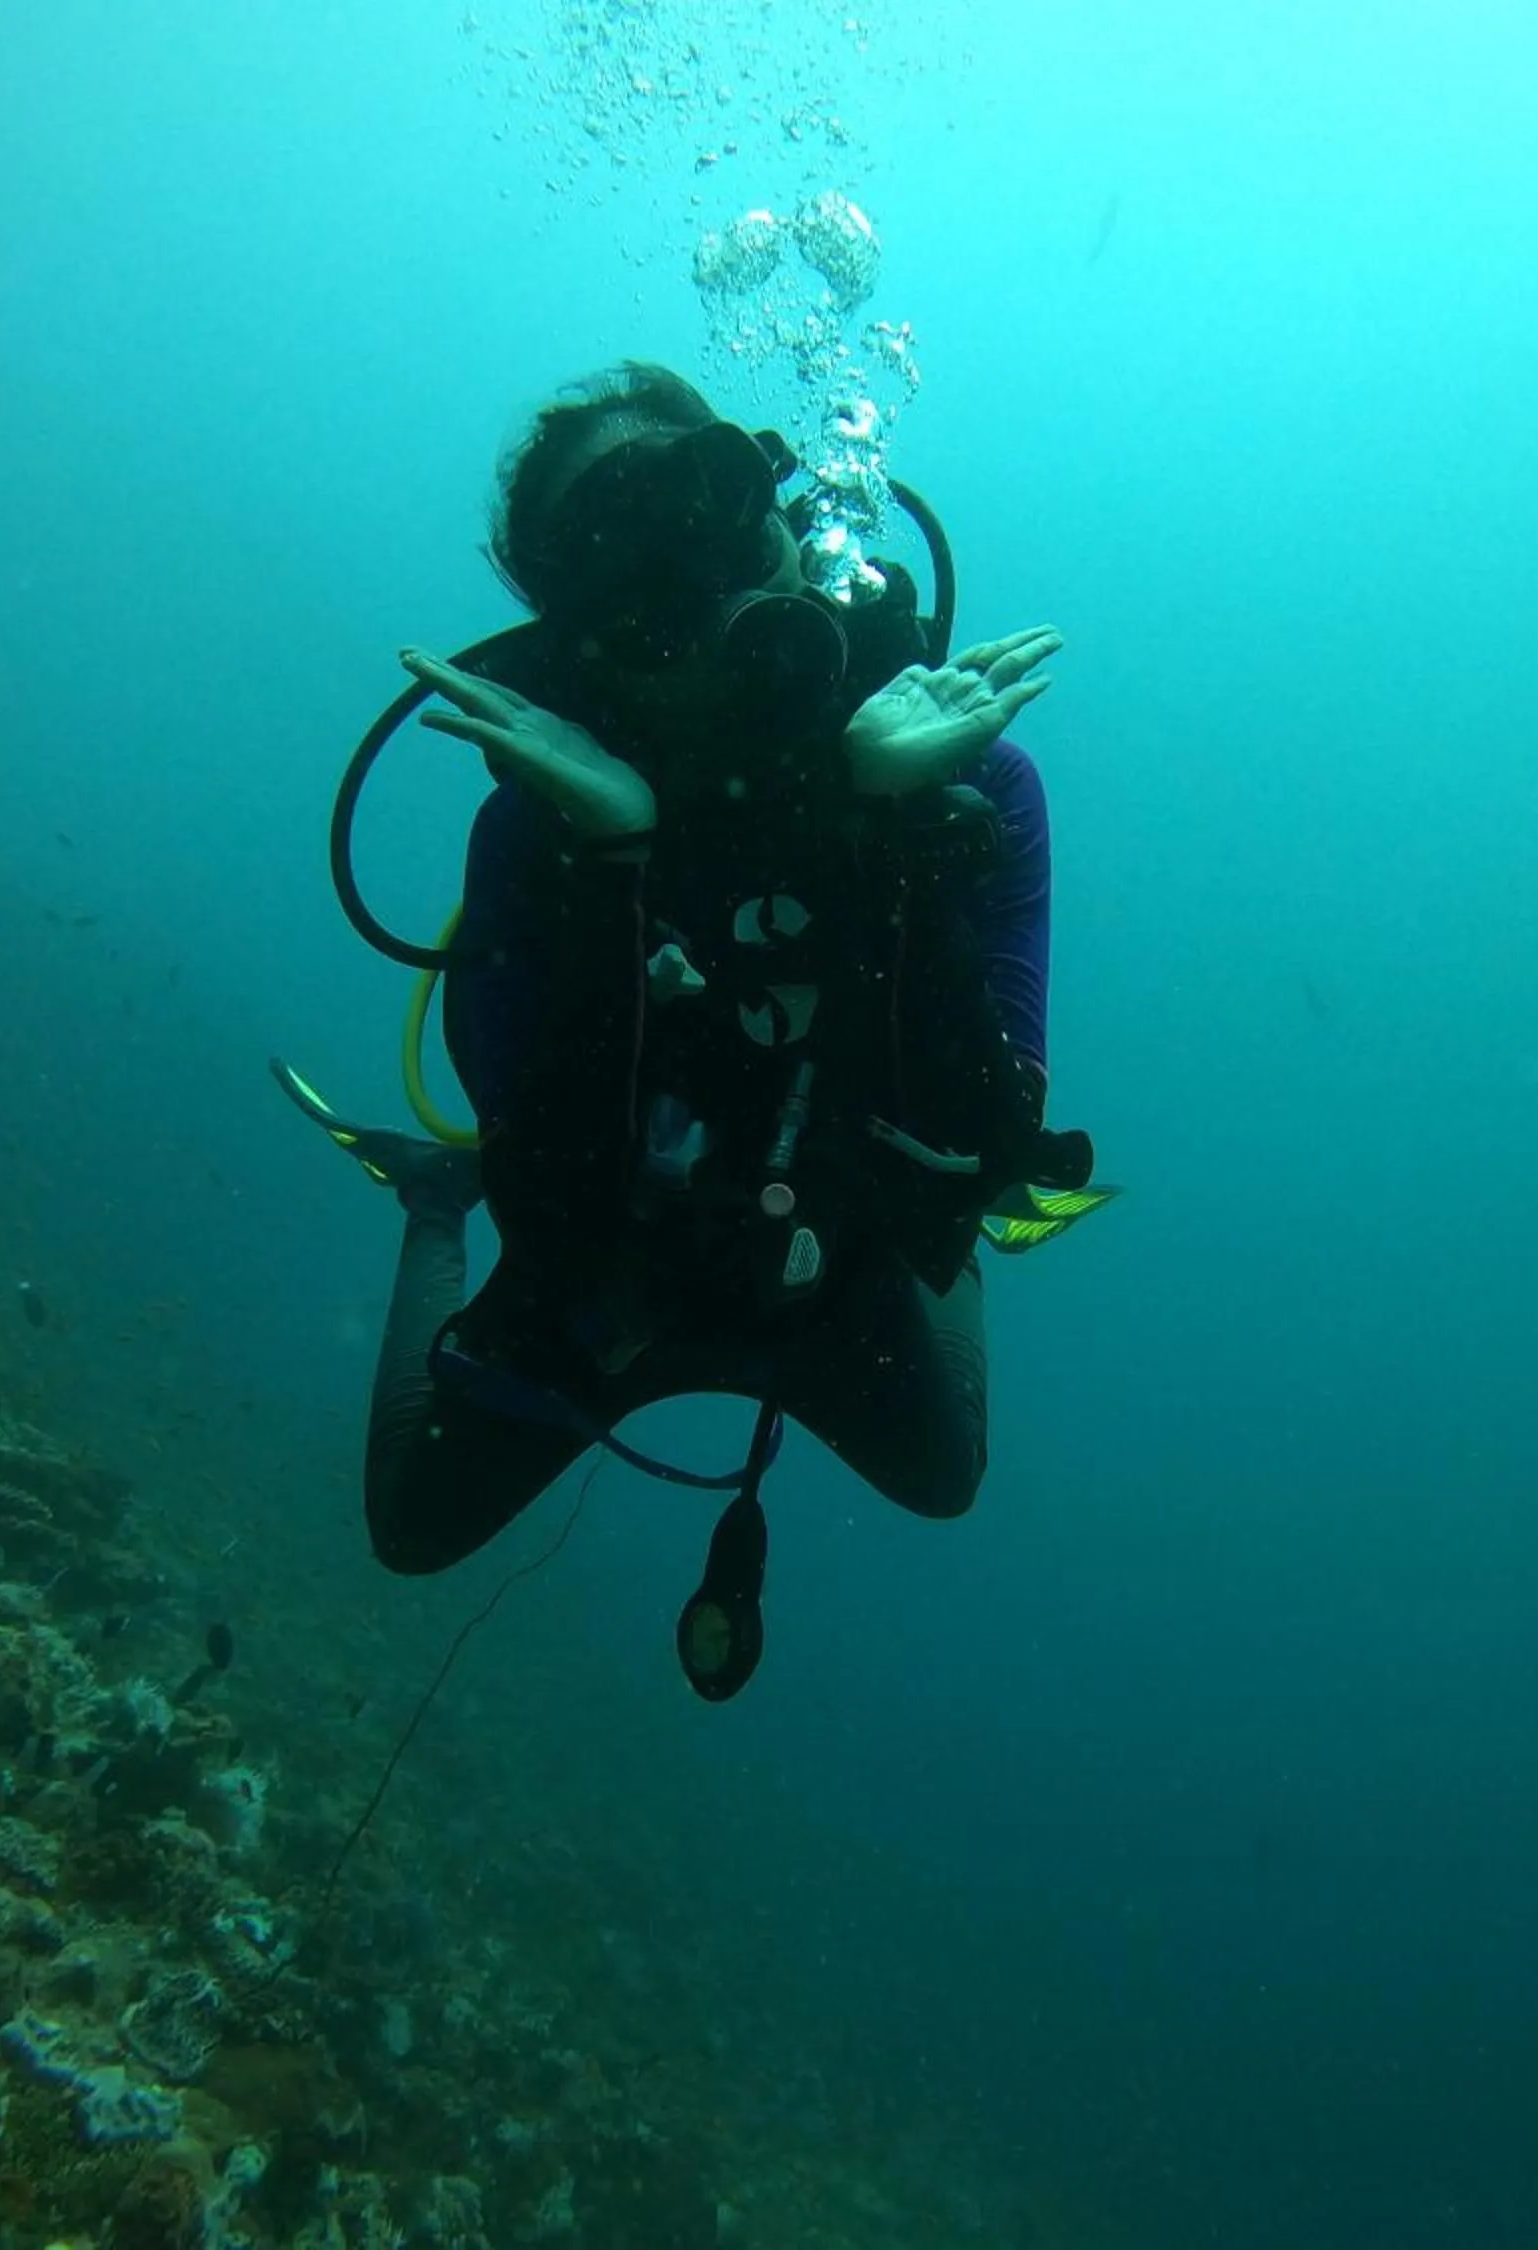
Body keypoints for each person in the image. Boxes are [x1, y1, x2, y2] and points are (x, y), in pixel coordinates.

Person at [313, 362, 1091, 1696]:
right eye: (618, 552)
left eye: (709, 506)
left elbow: (982, 1145)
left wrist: (882, 823)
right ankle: (424, 1201)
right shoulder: (538, 822)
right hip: (614, 1273)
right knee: (412, 1524)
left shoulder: (968, 777)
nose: (692, 575)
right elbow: (553, 1201)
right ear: (577, 626)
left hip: (835, 1256)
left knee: (943, 1469)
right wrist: (612, 858)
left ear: (785, 515)